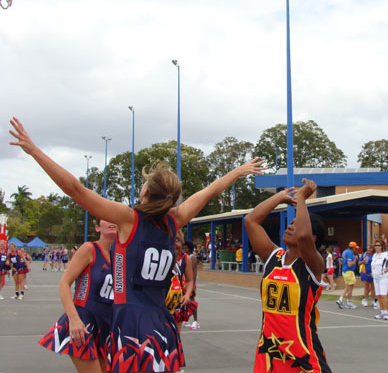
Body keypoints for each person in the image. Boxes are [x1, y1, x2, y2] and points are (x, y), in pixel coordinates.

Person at [9, 116, 264, 373]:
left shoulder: (129, 219)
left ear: (145, 193)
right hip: (160, 319)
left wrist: (34, 151)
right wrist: (237, 171)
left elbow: (75, 189)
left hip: (130, 321)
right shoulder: (175, 220)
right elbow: (209, 191)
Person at [244, 179, 332, 373]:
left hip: (302, 354)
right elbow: (251, 221)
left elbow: (303, 236)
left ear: (313, 238)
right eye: (290, 224)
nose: (291, 227)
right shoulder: (273, 257)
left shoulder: (313, 265)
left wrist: (301, 198)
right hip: (270, 351)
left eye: (295, 224)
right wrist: (279, 197)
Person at [39, 219, 116, 373]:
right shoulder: (90, 249)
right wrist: (73, 319)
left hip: (107, 325)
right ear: (97, 228)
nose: (112, 221)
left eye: (114, 217)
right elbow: (64, 284)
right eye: (106, 219)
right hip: (83, 322)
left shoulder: (121, 255)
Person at [371, 239, 388, 320]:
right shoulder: (374, 255)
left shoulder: (385, 254)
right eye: (376, 245)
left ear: (382, 247)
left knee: (383, 295)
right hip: (376, 277)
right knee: (378, 295)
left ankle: (386, 312)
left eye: (379, 245)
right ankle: (382, 311)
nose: (377, 247)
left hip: (383, 277)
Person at [182, 240, 200, 329]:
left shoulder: (192, 257)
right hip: (184, 282)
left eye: (185, 248)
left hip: (190, 282)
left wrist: (192, 284)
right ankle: (186, 320)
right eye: (183, 248)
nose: (184, 249)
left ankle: (196, 321)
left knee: (192, 300)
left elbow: (193, 272)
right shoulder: (185, 257)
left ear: (189, 249)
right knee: (185, 300)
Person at [337, 241, 359, 309]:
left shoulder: (345, 251)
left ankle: (344, 300)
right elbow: (349, 264)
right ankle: (344, 300)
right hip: (348, 271)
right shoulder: (349, 253)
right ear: (353, 248)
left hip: (346, 271)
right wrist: (355, 260)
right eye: (355, 248)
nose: (356, 250)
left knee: (349, 286)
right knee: (349, 287)